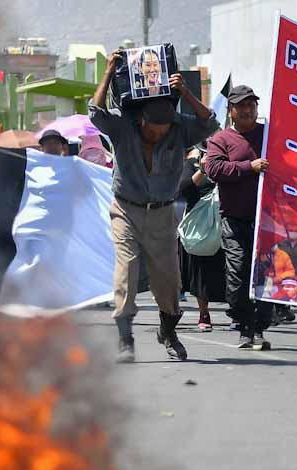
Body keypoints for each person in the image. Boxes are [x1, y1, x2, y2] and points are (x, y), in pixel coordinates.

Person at [91, 56, 217, 361]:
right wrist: (108, 72)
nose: (159, 135)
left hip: (162, 213)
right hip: (126, 210)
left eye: (164, 130)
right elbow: (95, 112)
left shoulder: (180, 128)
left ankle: (168, 332)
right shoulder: (123, 126)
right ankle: (125, 339)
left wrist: (186, 93)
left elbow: (211, 123)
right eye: (153, 131)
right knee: (126, 271)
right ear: (141, 121)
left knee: (168, 279)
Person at [203, 84, 275, 350]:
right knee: (238, 273)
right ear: (231, 111)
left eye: (251, 105)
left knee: (265, 276)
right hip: (235, 219)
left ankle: (259, 327)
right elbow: (213, 169)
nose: (247, 110)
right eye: (241, 106)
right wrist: (249, 167)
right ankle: (243, 323)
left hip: (267, 220)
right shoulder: (221, 139)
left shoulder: (270, 134)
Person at [178, 147, 226, 333]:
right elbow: (184, 189)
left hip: (227, 220)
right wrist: (203, 170)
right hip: (201, 226)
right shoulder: (193, 164)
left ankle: (238, 313)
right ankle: (204, 314)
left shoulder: (230, 161)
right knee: (201, 271)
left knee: (232, 268)